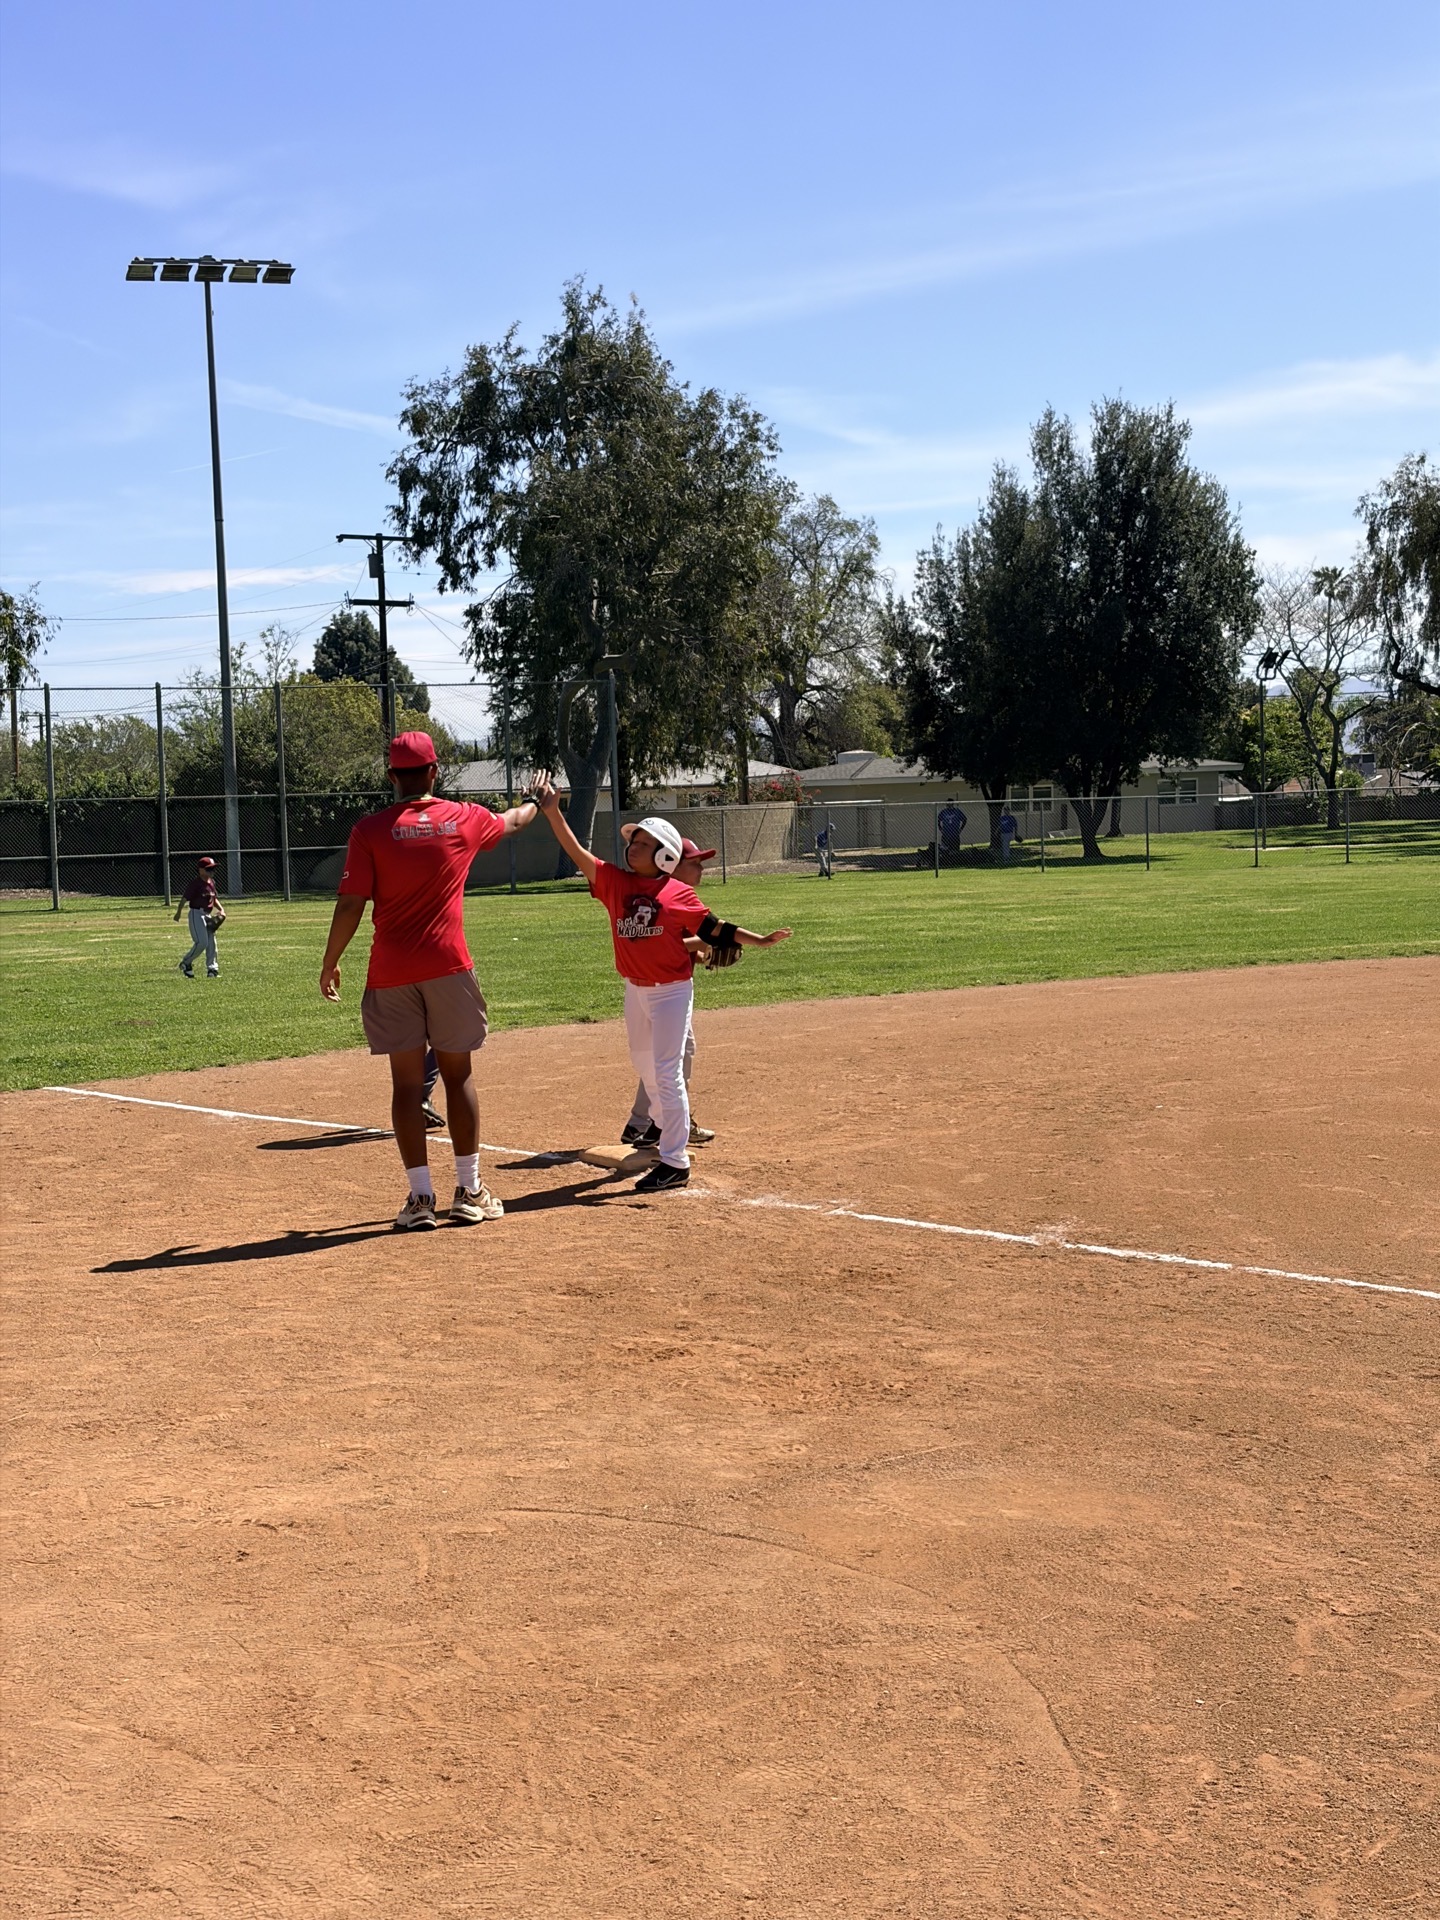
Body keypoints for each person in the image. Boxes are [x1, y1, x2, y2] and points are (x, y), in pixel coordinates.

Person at [318, 730, 543, 1231]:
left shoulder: (370, 831)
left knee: (405, 1085)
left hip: (391, 971)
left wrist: (331, 960)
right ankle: (469, 1189)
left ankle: (420, 1199)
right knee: (457, 1075)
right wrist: (536, 798)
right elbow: (514, 821)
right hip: (448, 966)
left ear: (391, 776)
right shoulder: (462, 818)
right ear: (435, 771)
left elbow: (352, 903)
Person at [532, 779, 790, 1192]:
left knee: (667, 1073)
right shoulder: (615, 882)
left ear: (666, 856)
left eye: (644, 842)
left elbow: (713, 928)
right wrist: (552, 812)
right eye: (633, 840)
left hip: (671, 991)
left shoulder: (678, 893)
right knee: (644, 1065)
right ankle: (660, 1129)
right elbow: (576, 853)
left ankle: (675, 1161)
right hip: (635, 990)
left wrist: (758, 940)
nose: (633, 845)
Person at [621, 837, 717, 1151]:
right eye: (695, 862)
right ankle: (654, 1124)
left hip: (664, 987)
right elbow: (658, 940)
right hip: (657, 990)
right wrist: (703, 944)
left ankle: (648, 1122)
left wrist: (700, 952)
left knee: (661, 1058)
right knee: (672, 1057)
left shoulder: (677, 895)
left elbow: (676, 944)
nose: (701, 868)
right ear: (673, 865)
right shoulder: (666, 897)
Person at [174, 855, 222, 978]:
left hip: (207, 914)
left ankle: (212, 969)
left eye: (213, 869)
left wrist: (221, 909)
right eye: (208, 869)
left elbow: (213, 898)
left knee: (212, 942)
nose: (212, 871)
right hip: (197, 914)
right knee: (202, 942)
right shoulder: (195, 884)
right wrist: (178, 913)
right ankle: (186, 962)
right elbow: (185, 898)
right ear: (200, 870)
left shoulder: (212, 883)